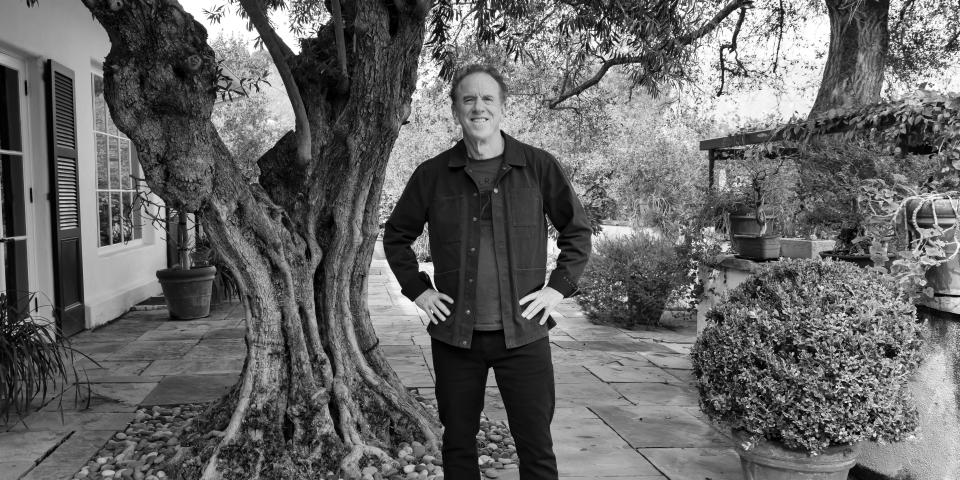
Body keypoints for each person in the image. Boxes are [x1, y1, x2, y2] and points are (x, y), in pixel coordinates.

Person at [383, 64, 592, 480]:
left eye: (487, 98)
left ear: (502, 107)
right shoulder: (432, 175)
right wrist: (419, 291)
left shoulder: (538, 167)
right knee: (458, 446)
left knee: (536, 447)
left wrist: (557, 289)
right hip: (456, 339)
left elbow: (577, 230)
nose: (478, 107)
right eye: (468, 99)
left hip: (525, 334)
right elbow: (396, 236)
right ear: (456, 109)